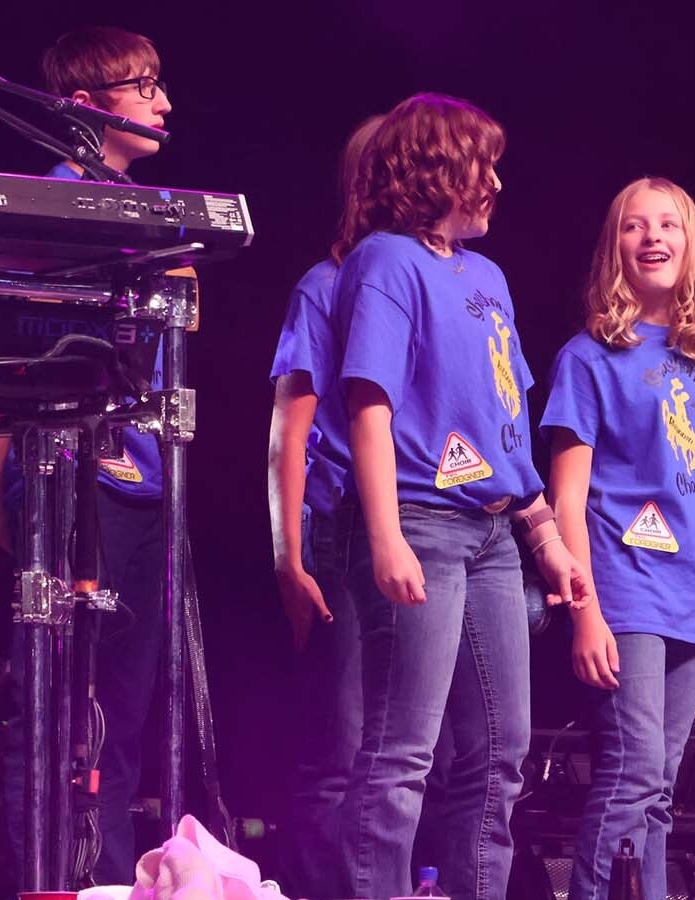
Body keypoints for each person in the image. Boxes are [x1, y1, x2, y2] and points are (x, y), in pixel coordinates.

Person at [329, 92, 590, 900]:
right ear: (436, 169)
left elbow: (505, 423)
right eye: (484, 167)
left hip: (492, 538)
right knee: (402, 750)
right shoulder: (385, 262)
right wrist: (384, 536)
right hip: (420, 523)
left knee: (501, 750)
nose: (498, 185)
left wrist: (546, 536)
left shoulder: (488, 277)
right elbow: (368, 402)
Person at [0, 25, 174, 885]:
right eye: (145, 86)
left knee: (118, 718)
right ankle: (48, 879)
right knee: (55, 708)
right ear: (85, 110)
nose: (165, 102)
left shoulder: (153, 216)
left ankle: (108, 882)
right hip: (61, 485)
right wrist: (3, 505)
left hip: (139, 492)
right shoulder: (42, 207)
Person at [542, 176, 695, 900]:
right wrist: (585, 611)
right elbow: (567, 496)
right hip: (624, 586)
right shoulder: (589, 356)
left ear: (692, 244)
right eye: (636, 226)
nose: (654, 237)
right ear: (615, 247)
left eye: (669, 225)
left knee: (660, 786)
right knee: (630, 772)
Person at [265, 112, 381, 899]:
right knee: (340, 749)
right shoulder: (327, 285)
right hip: (340, 533)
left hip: (419, 536)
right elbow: (290, 430)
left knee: (401, 752)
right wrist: (288, 556)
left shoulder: (446, 283)